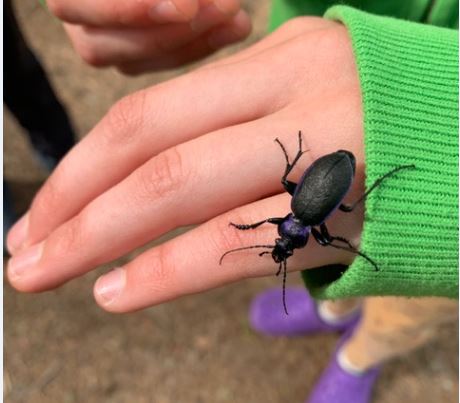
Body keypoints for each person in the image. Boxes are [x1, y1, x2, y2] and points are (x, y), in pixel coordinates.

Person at [6, 1, 458, 402]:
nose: (282, 247)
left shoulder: (299, 219)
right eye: (285, 246)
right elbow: (303, 195)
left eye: (280, 246)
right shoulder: (298, 214)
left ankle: (360, 358)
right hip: (335, 164)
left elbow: (305, 199)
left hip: (355, 174)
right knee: (343, 240)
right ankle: (333, 310)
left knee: (390, 287)